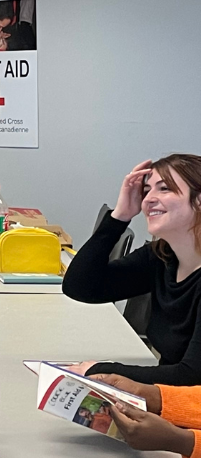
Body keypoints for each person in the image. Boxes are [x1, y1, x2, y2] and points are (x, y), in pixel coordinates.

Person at [64, 155, 201, 386]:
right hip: (171, 402)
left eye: (164, 188)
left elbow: (190, 376)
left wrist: (101, 370)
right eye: (147, 190)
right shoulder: (162, 257)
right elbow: (81, 287)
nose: (148, 199)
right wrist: (120, 216)